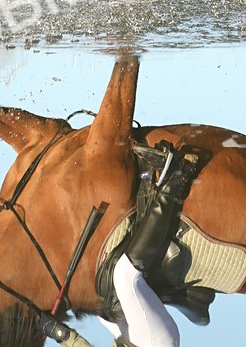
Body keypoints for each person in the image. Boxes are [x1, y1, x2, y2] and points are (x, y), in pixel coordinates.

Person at [96, 144, 201, 347]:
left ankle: (147, 184)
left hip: (128, 339)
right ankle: (178, 178)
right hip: (153, 342)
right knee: (124, 276)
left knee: (93, 305)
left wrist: (63, 335)